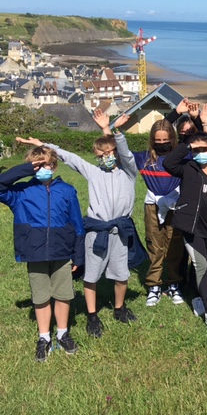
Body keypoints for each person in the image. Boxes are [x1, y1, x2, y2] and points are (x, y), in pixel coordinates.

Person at [22, 110, 142, 338]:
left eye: (108, 153)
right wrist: (42, 144)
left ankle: (119, 308)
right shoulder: (93, 172)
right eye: (100, 154)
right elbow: (69, 157)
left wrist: (116, 131)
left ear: (115, 153)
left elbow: (125, 153)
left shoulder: (129, 173)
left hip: (120, 231)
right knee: (91, 276)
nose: (104, 157)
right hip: (96, 232)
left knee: (122, 275)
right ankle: (92, 315)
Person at [0, 144, 84, 361]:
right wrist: (26, 169)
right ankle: (44, 337)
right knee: (41, 296)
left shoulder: (67, 191)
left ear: (54, 166)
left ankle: (63, 333)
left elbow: (77, 223)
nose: (42, 169)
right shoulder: (20, 193)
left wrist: (78, 253)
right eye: (36, 166)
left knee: (64, 294)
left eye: (46, 164)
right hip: (34, 251)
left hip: (62, 251)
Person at [163, 131, 207, 329]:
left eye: (204, 149)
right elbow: (168, 163)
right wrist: (187, 146)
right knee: (200, 265)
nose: (200, 153)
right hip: (192, 228)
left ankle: (197, 297)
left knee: (205, 267)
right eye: (196, 150)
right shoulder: (188, 168)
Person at [133, 118, 184, 307]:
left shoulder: (181, 156)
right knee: (154, 244)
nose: (162, 144)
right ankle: (154, 285)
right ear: (152, 140)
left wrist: (204, 124)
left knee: (174, 244)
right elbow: (120, 152)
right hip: (152, 206)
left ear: (172, 138)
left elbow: (206, 148)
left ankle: (174, 284)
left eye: (165, 140)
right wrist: (107, 128)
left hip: (175, 205)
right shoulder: (144, 158)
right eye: (158, 141)